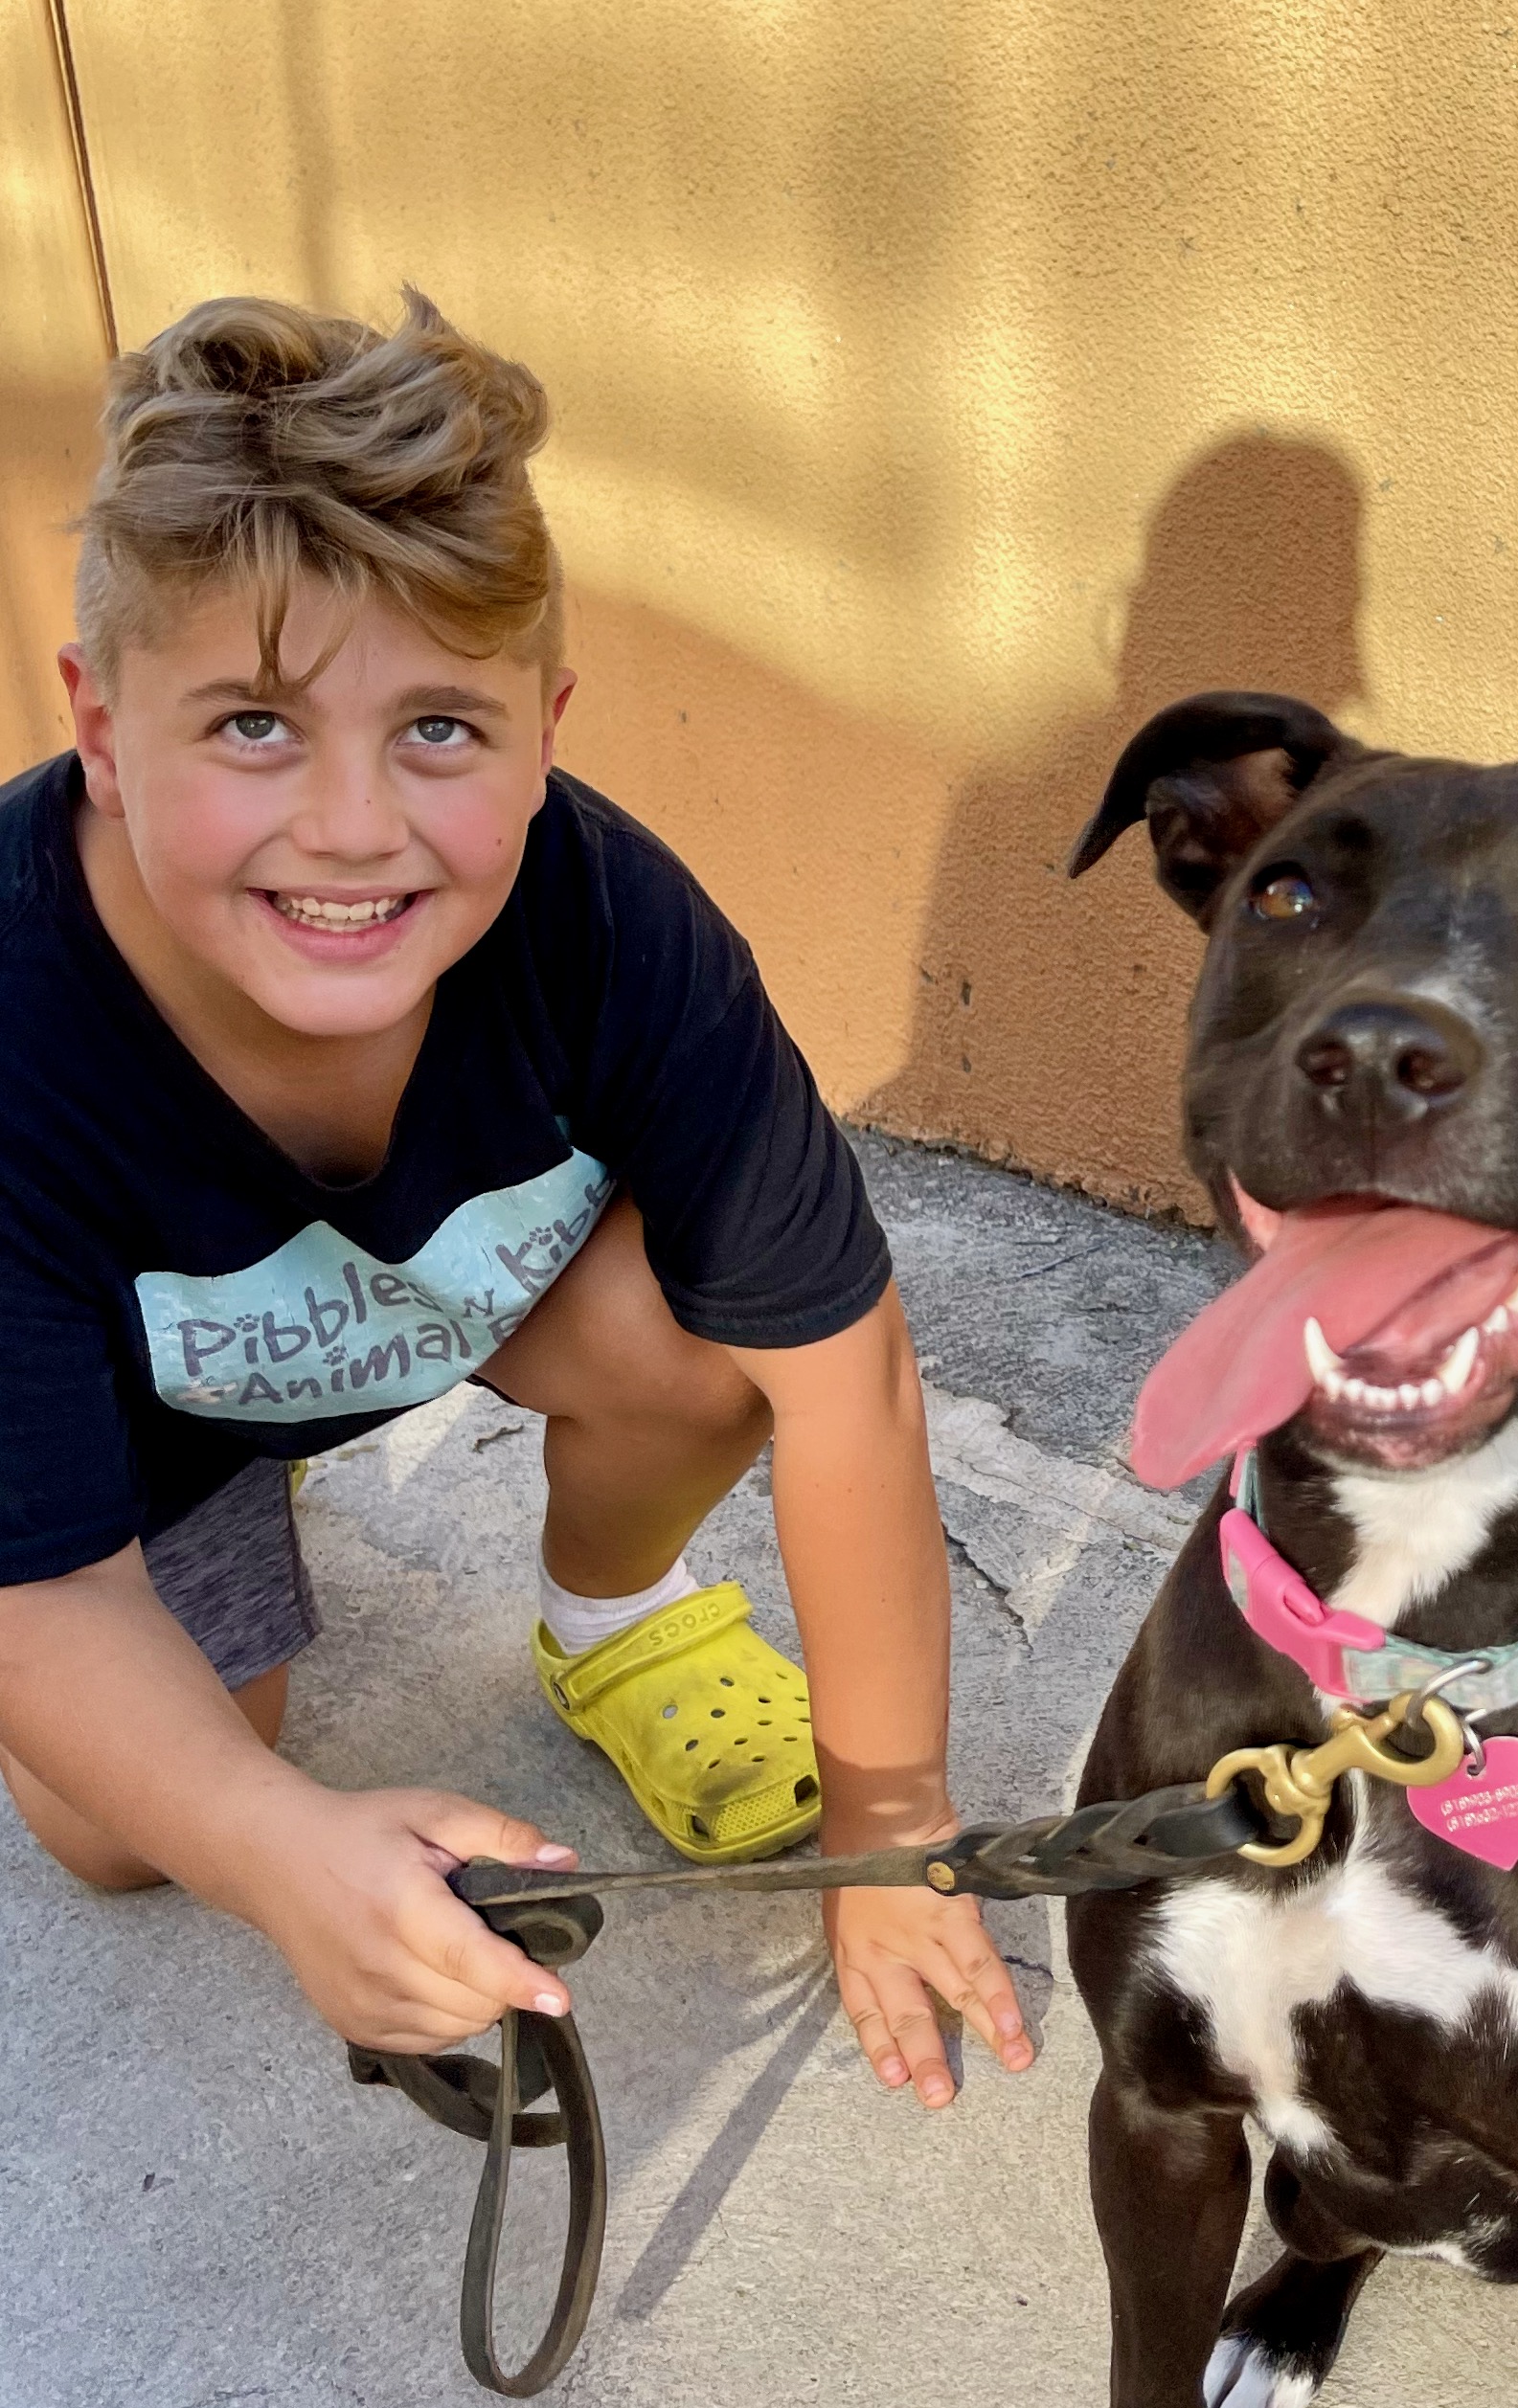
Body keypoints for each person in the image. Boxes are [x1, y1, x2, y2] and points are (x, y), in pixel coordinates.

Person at [0, 288, 1033, 2111]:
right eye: (253, 724)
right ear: (97, 718)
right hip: (144, 1399)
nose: (351, 825)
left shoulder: (611, 920)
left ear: (545, 731)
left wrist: (894, 1823)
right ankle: (214, 1491)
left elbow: (847, 1374)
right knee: (127, 1832)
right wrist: (268, 1842)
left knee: (718, 1335)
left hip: (445, 1293)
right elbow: (44, 1590)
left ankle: (614, 1617)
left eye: (438, 729)